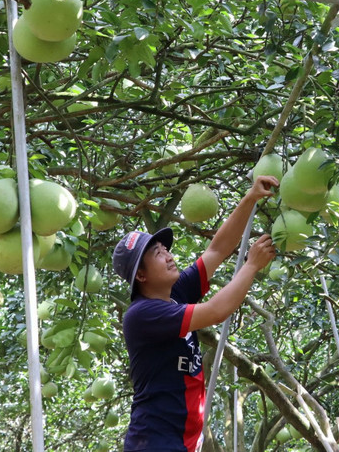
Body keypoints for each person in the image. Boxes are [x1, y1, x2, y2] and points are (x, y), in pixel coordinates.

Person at [112, 175, 279, 452]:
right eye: (157, 253)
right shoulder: (143, 314)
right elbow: (215, 311)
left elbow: (217, 249)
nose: (168, 255)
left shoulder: (174, 294)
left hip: (180, 443)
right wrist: (251, 266)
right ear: (140, 275)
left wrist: (250, 199)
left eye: (165, 248)